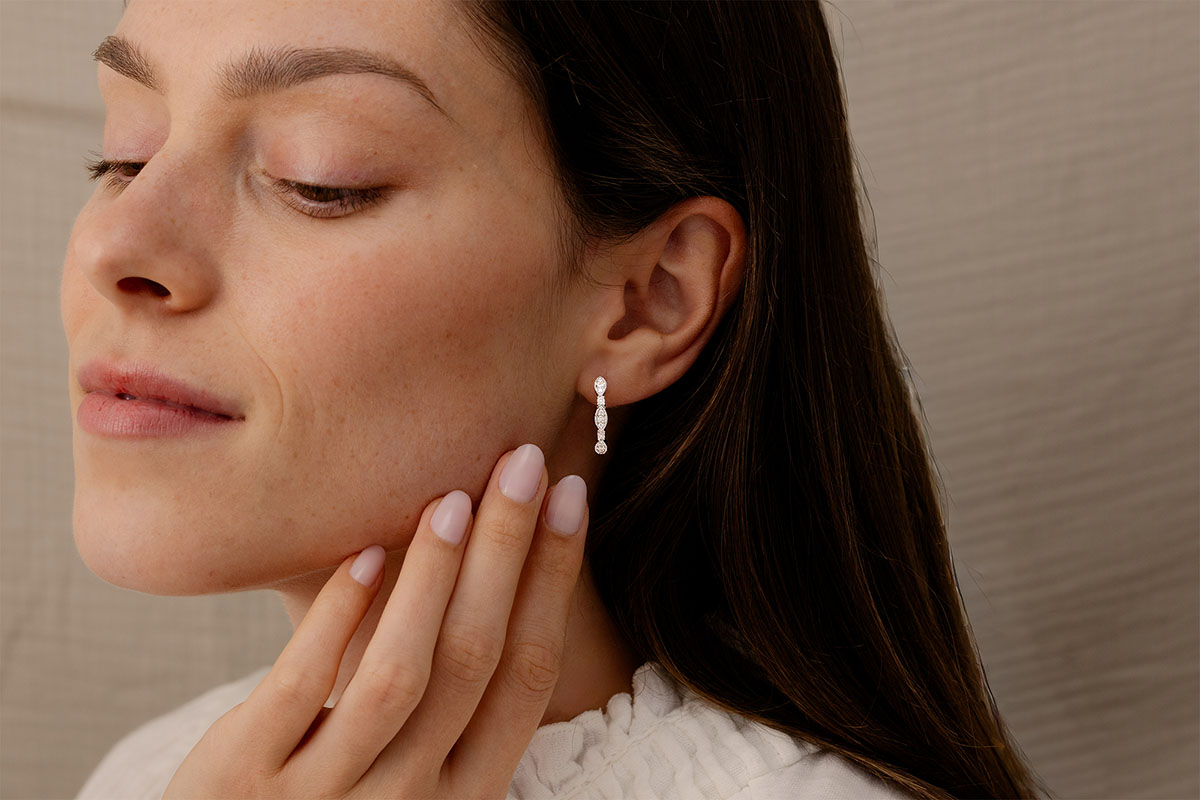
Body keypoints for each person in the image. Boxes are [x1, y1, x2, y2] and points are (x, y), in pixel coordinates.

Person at [64, 0, 1049, 798]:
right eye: (125, 155)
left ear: (648, 299)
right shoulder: (161, 773)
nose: (117, 244)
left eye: (318, 177)